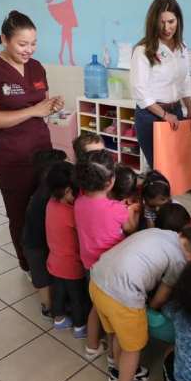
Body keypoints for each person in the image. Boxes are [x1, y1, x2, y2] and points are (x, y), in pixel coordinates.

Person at [0, 10, 64, 272]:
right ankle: (30, 266)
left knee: (48, 209)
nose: (29, 50)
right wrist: (34, 110)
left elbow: (40, 104)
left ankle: (50, 261)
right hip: (11, 157)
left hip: (42, 151)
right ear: (4, 39)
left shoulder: (36, 67)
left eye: (33, 43)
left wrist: (51, 106)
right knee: (21, 214)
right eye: (22, 44)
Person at [88, 204, 191, 381]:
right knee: (132, 348)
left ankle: (116, 370)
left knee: (116, 333)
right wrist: (152, 308)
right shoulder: (180, 260)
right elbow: (163, 294)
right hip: (122, 296)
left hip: (97, 280)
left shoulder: (159, 232)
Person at [74, 150, 140, 358]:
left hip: (89, 264)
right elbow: (130, 229)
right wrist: (132, 210)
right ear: (111, 182)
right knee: (106, 308)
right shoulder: (117, 209)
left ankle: (91, 346)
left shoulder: (79, 202)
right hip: (110, 268)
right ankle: (112, 349)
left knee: (96, 305)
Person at [129, 0, 191, 168]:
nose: (167, 28)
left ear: (178, 20)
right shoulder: (143, 50)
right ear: (153, 23)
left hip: (176, 111)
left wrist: (190, 109)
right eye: (161, 22)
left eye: (171, 21)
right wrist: (165, 115)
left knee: (176, 166)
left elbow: (184, 80)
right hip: (151, 115)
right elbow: (140, 91)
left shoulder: (182, 47)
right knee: (160, 168)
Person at [45, 161, 91, 338]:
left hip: (54, 260)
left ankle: (59, 319)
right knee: (77, 297)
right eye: (76, 191)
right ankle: (80, 327)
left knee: (59, 292)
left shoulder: (51, 202)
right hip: (71, 264)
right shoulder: (72, 213)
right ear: (67, 191)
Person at [20, 149, 68, 318]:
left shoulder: (44, 188)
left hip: (38, 239)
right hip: (35, 244)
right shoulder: (47, 197)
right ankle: (47, 307)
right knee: (42, 277)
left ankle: (52, 303)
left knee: (46, 274)